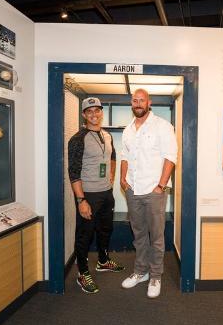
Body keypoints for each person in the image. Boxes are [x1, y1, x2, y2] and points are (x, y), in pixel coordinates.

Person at [120, 89, 177, 298]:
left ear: (149, 103)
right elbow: (125, 156)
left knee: (156, 236)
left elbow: (171, 157)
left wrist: (161, 186)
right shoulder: (128, 130)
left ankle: (155, 276)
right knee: (139, 234)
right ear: (131, 103)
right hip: (133, 190)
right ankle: (140, 271)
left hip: (154, 190)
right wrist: (122, 180)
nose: (138, 103)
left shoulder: (163, 126)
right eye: (134, 100)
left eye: (141, 100)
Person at [68, 97, 124, 294]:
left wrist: (111, 176)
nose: (94, 114)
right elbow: (73, 172)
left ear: (101, 112)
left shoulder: (107, 135)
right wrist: (81, 200)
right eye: (89, 111)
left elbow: (113, 156)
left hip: (106, 193)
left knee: (105, 230)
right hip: (88, 195)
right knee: (84, 235)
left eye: (97, 110)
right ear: (84, 115)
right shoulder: (77, 139)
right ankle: (83, 273)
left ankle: (103, 261)